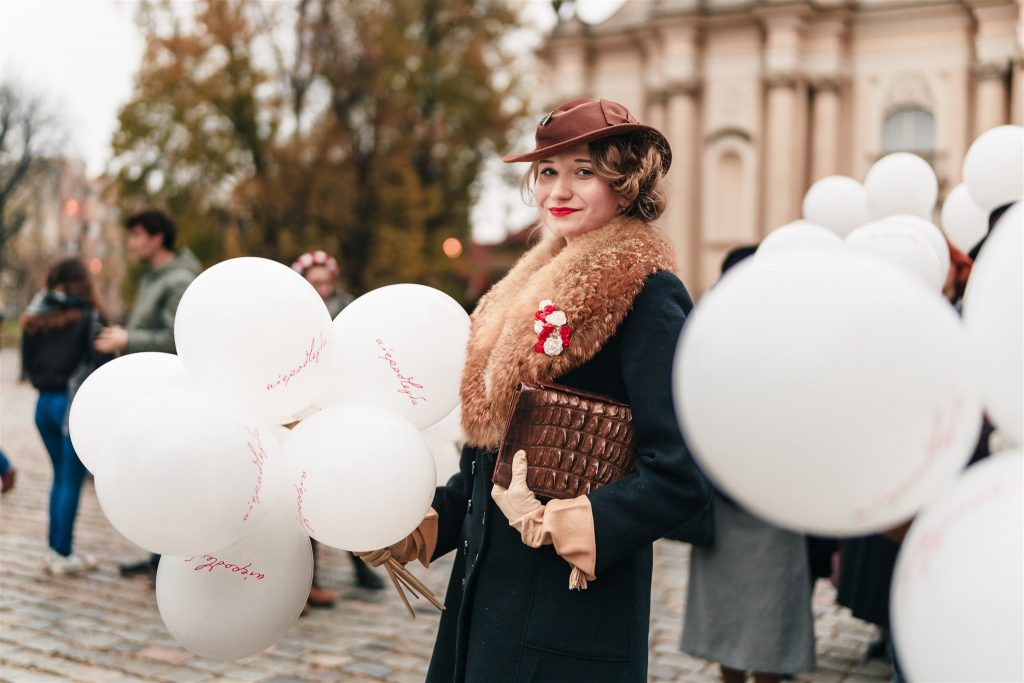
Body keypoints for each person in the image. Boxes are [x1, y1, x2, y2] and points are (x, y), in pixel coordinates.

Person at [358, 98, 712, 682]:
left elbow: (682, 473)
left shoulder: (649, 294)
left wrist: (577, 522)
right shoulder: (516, 295)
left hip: (569, 617)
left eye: (584, 172)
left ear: (625, 185)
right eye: (548, 172)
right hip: (483, 604)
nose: (559, 190)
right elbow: (493, 461)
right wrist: (424, 526)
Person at [679, 245, 817, 683]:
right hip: (727, 490)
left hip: (775, 496)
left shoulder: (788, 340)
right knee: (727, 611)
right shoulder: (710, 340)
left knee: (772, 609)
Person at [94, 209, 200, 579]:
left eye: (137, 234)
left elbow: (176, 339)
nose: (132, 242)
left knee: (170, 475)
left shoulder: (179, 279)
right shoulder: (153, 276)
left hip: (171, 393)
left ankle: (170, 560)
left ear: (158, 237)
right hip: (150, 391)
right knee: (154, 475)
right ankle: (157, 555)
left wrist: (128, 339)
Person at [291, 250, 383, 603]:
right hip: (303, 409)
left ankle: (360, 562)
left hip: (340, 407)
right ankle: (308, 578)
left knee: (344, 487)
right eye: (315, 283)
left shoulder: (348, 309)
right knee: (306, 489)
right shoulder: (296, 313)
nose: (323, 288)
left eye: (326, 282)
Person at [21, 258, 110, 575]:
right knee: (70, 480)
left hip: (43, 405)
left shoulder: (35, 316)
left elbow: (27, 365)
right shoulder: (90, 316)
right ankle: (63, 554)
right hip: (72, 406)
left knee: (60, 476)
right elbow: (102, 362)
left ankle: (55, 549)